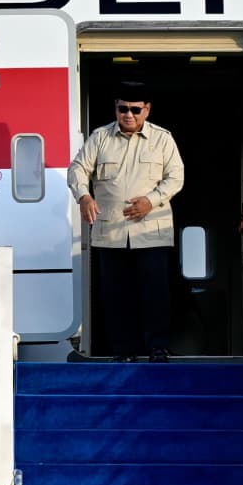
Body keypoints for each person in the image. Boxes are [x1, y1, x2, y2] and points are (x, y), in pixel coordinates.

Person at [68, 82, 185, 362]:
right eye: (123, 109)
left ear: (147, 110)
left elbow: (176, 177)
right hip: (111, 233)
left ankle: (157, 347)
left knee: (155, 294)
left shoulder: (162, 139)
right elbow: (78, 168)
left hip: (151, 232)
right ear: (116, 108)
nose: (128, 115)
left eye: (135, 109)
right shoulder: (100, 137)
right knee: (116, 295)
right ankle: (124, 350)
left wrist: (151, 200)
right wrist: (83, 196)